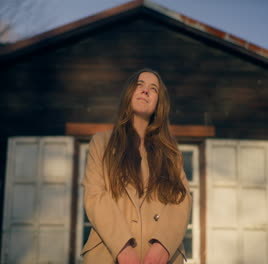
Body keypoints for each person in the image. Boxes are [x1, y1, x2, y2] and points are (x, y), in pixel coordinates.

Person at [81, 68, 192, 264]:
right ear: (129, 93)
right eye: (139, 85)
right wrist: (122, 248)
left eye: (153, 88)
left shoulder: (171, 151)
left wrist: (164, 246)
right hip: (108, 255)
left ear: (159, 102)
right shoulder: (101, 143)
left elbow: (181, 199)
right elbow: (95, 196)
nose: (145, 91)